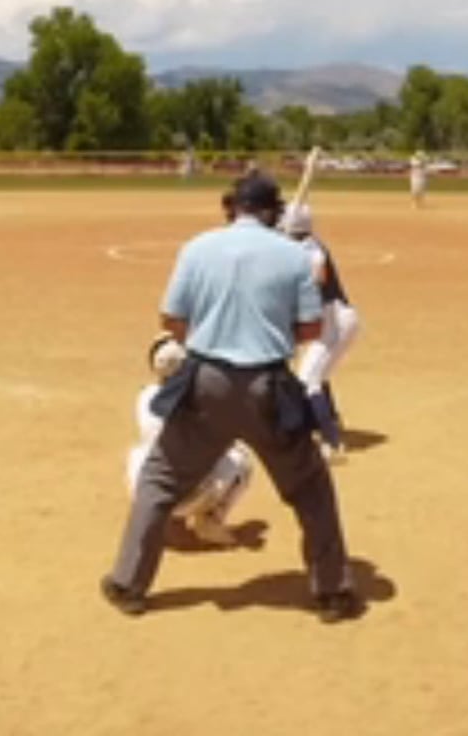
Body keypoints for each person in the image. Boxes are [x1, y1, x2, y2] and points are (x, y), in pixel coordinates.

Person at [103, 173, 361, 623]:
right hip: (268, 387)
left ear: (230, 208)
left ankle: (128, 583)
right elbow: (310, 330)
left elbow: (171, 319)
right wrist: (272, 325)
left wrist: (210, 334)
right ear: (273, 211)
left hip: (205, 383)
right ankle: (332, 591)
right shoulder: (293, 256)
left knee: (160, 481)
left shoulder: (197, 247)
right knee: (310, 488)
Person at [126, 334, 254, 546]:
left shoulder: (145, 396)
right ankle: (210, 522)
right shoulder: (204, 400)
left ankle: (155, 519)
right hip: (189, 494)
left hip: (147, 488)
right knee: (241, 458)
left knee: (140, 453)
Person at [281, 202, 360, 461]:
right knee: (317, 372)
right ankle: (329, 421)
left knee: (307, 378)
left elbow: (319, 276)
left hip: (336, 323)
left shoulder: (310, 249)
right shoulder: (297, 247)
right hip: (331, 323)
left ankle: (332, 443)